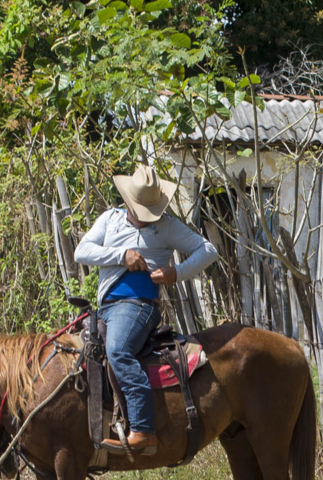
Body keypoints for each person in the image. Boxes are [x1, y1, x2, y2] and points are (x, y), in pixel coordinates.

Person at [71, 164, 219, 455]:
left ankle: (143, 429)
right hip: (106, 307)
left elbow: (208, 251)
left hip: (138, 306)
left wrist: (176, 272)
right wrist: (121, 255)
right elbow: (81, 252)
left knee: (118, 350)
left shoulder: (166, 226)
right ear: (128, 200)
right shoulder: (110, 220)